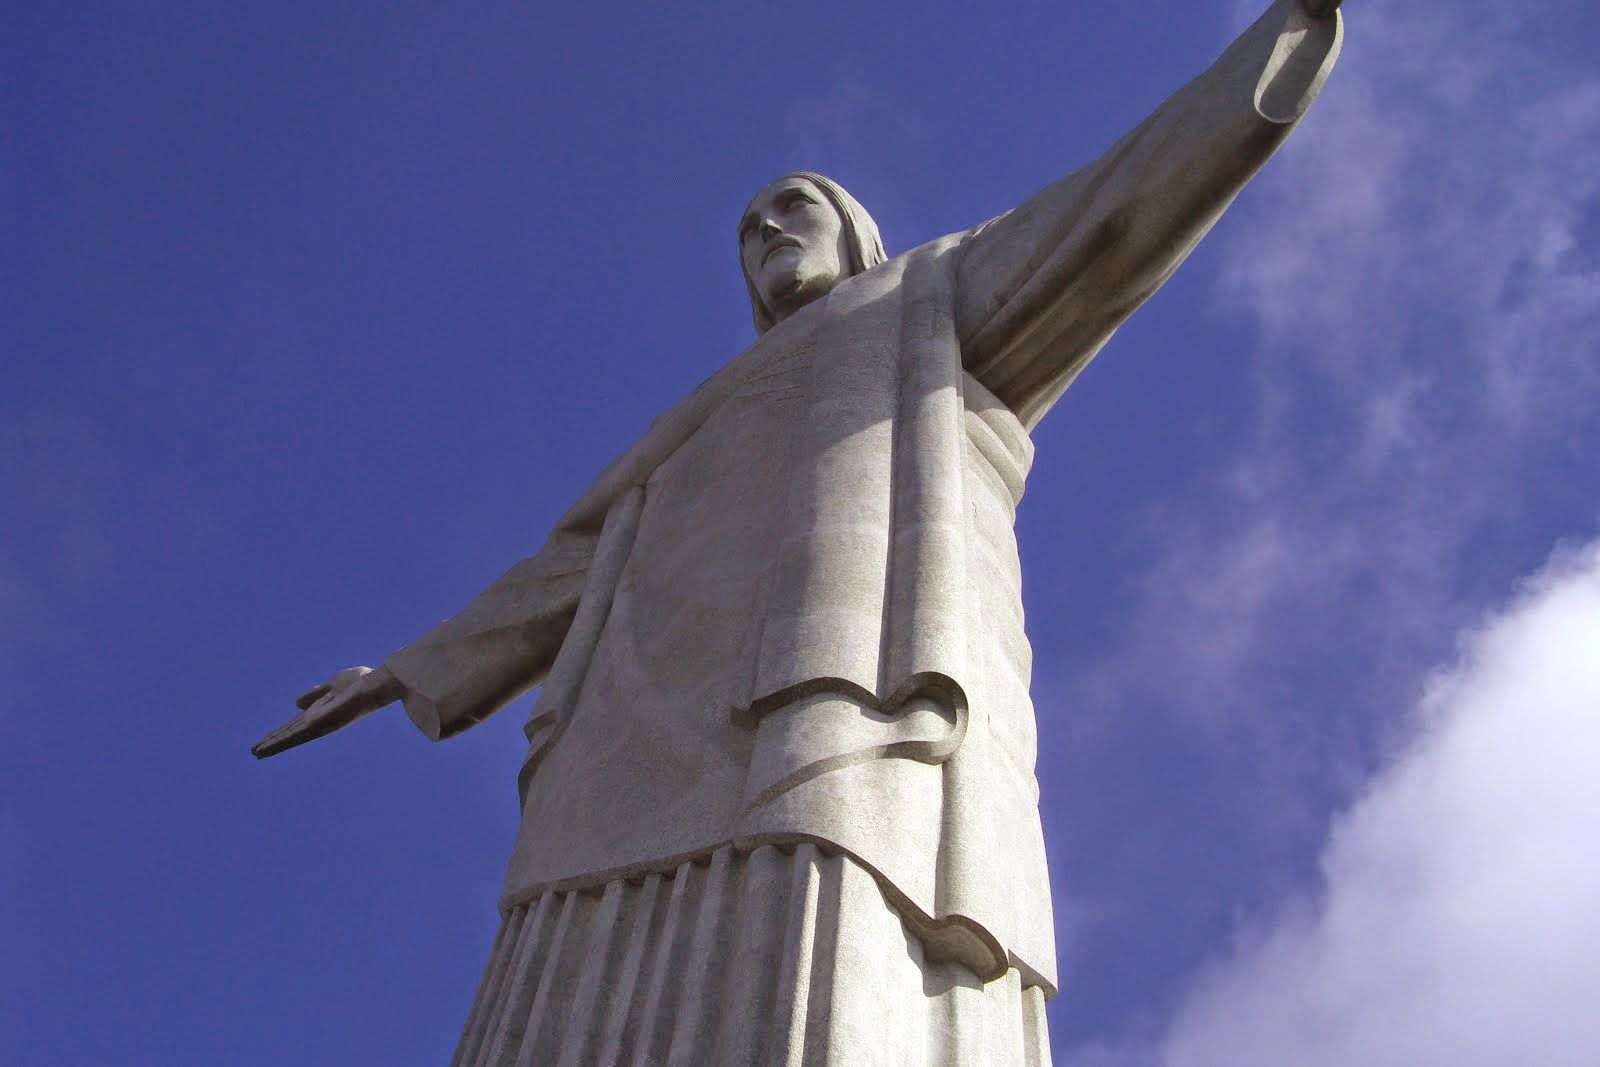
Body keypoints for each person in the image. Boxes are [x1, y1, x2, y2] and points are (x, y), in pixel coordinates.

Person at [255, 2, 1343, 1062]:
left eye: (790, 207)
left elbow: (1114, 214)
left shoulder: (927, 298)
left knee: (814, 946)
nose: (766, 231)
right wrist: (406, 670)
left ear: (853, 230)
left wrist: (1289, 31)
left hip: (827, 697)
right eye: (745, 231)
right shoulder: (681, 425)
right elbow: (569, 566)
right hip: (622, 754)